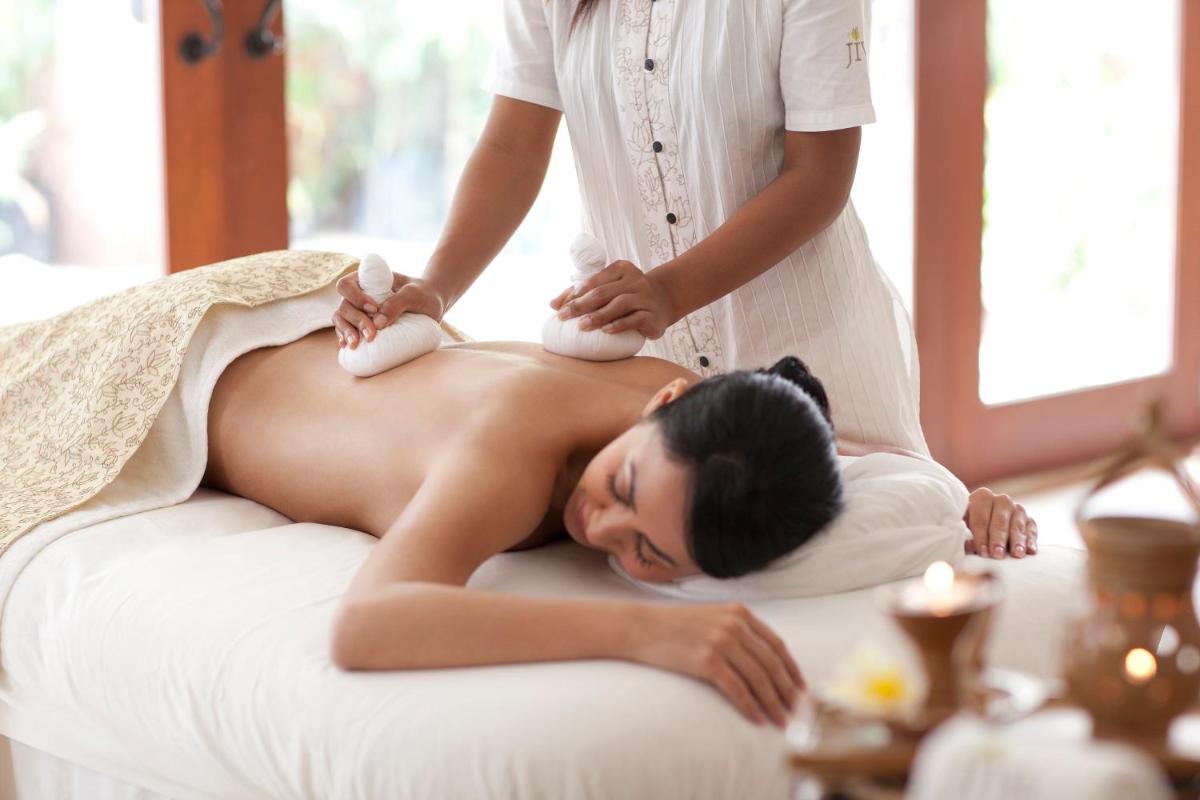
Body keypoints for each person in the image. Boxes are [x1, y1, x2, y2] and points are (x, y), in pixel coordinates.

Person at [328, 0, 1038, 560]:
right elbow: (515, 141)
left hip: (810, 343)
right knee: (656, 547)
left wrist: (669, 290)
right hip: (639, 367)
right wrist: (438, 288)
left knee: (878, 529)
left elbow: (820, 176)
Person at [200, 328, 1035, 729]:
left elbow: (841, 445)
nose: (600, 528)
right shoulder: (514, 447)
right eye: (623, 484)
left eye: (649, 554)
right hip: (208, 367)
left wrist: (961, 497)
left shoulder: (707, 416)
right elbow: (366, 625)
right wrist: (642, 630)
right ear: (663, 404)